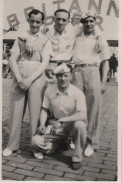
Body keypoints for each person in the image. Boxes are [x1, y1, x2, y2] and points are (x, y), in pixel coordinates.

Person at [3, 9, 52, 157]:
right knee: (16, 110)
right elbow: (12, 59)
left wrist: (30, 80)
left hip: (36, 76)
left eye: (38, 22)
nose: (35, 24)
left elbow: (45, 62)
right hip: (19, 75)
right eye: (32, 21)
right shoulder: (20, 37)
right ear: (28, 20)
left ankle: (35, 146)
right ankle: (12, 145)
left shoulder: (45, 39)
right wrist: (19, 79)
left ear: (42, 23)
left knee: (36, 112)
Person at [31, 64, 87, 170]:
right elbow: (44, 109)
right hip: (55, 126)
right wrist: (42, 124)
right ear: (56, 77)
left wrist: (63, 120)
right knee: (35, 141)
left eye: (66, 75)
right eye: (60, 76)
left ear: (71, 76)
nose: (63, 79)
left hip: (71, 124)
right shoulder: (49, 90)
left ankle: (77, 158)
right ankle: (59, 144)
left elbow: (82, 114)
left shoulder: (77, 92)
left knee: (80, 126)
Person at [72, 10, 109, 157]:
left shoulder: (100, 39)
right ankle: (76, 138)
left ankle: (91, 143)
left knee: (93, 108)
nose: (89, 24)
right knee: (76, 107)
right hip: (76, 72)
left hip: (93, 71)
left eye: (91, 21)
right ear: (82, 23)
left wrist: (104, 81)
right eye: (86, 21)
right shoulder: (76, 36)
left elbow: (105, 61)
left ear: (95, 22)